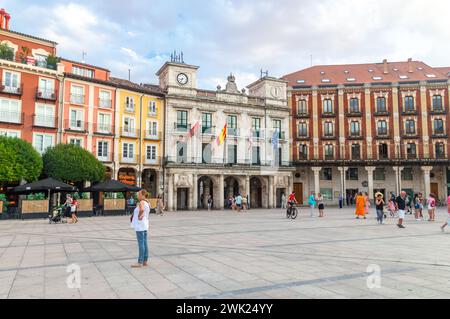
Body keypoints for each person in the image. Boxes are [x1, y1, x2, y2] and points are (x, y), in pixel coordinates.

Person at [130, 190, 150, 268]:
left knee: (141, 243)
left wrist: (139, 216)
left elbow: (141, 210)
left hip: (140, 226)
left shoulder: (141, 202)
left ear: (142, 195)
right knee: (144, 243)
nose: (138, 196)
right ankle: (145, 260)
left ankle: (140, 262)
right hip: (144, 225)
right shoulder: (147, 202)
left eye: (138, 194)